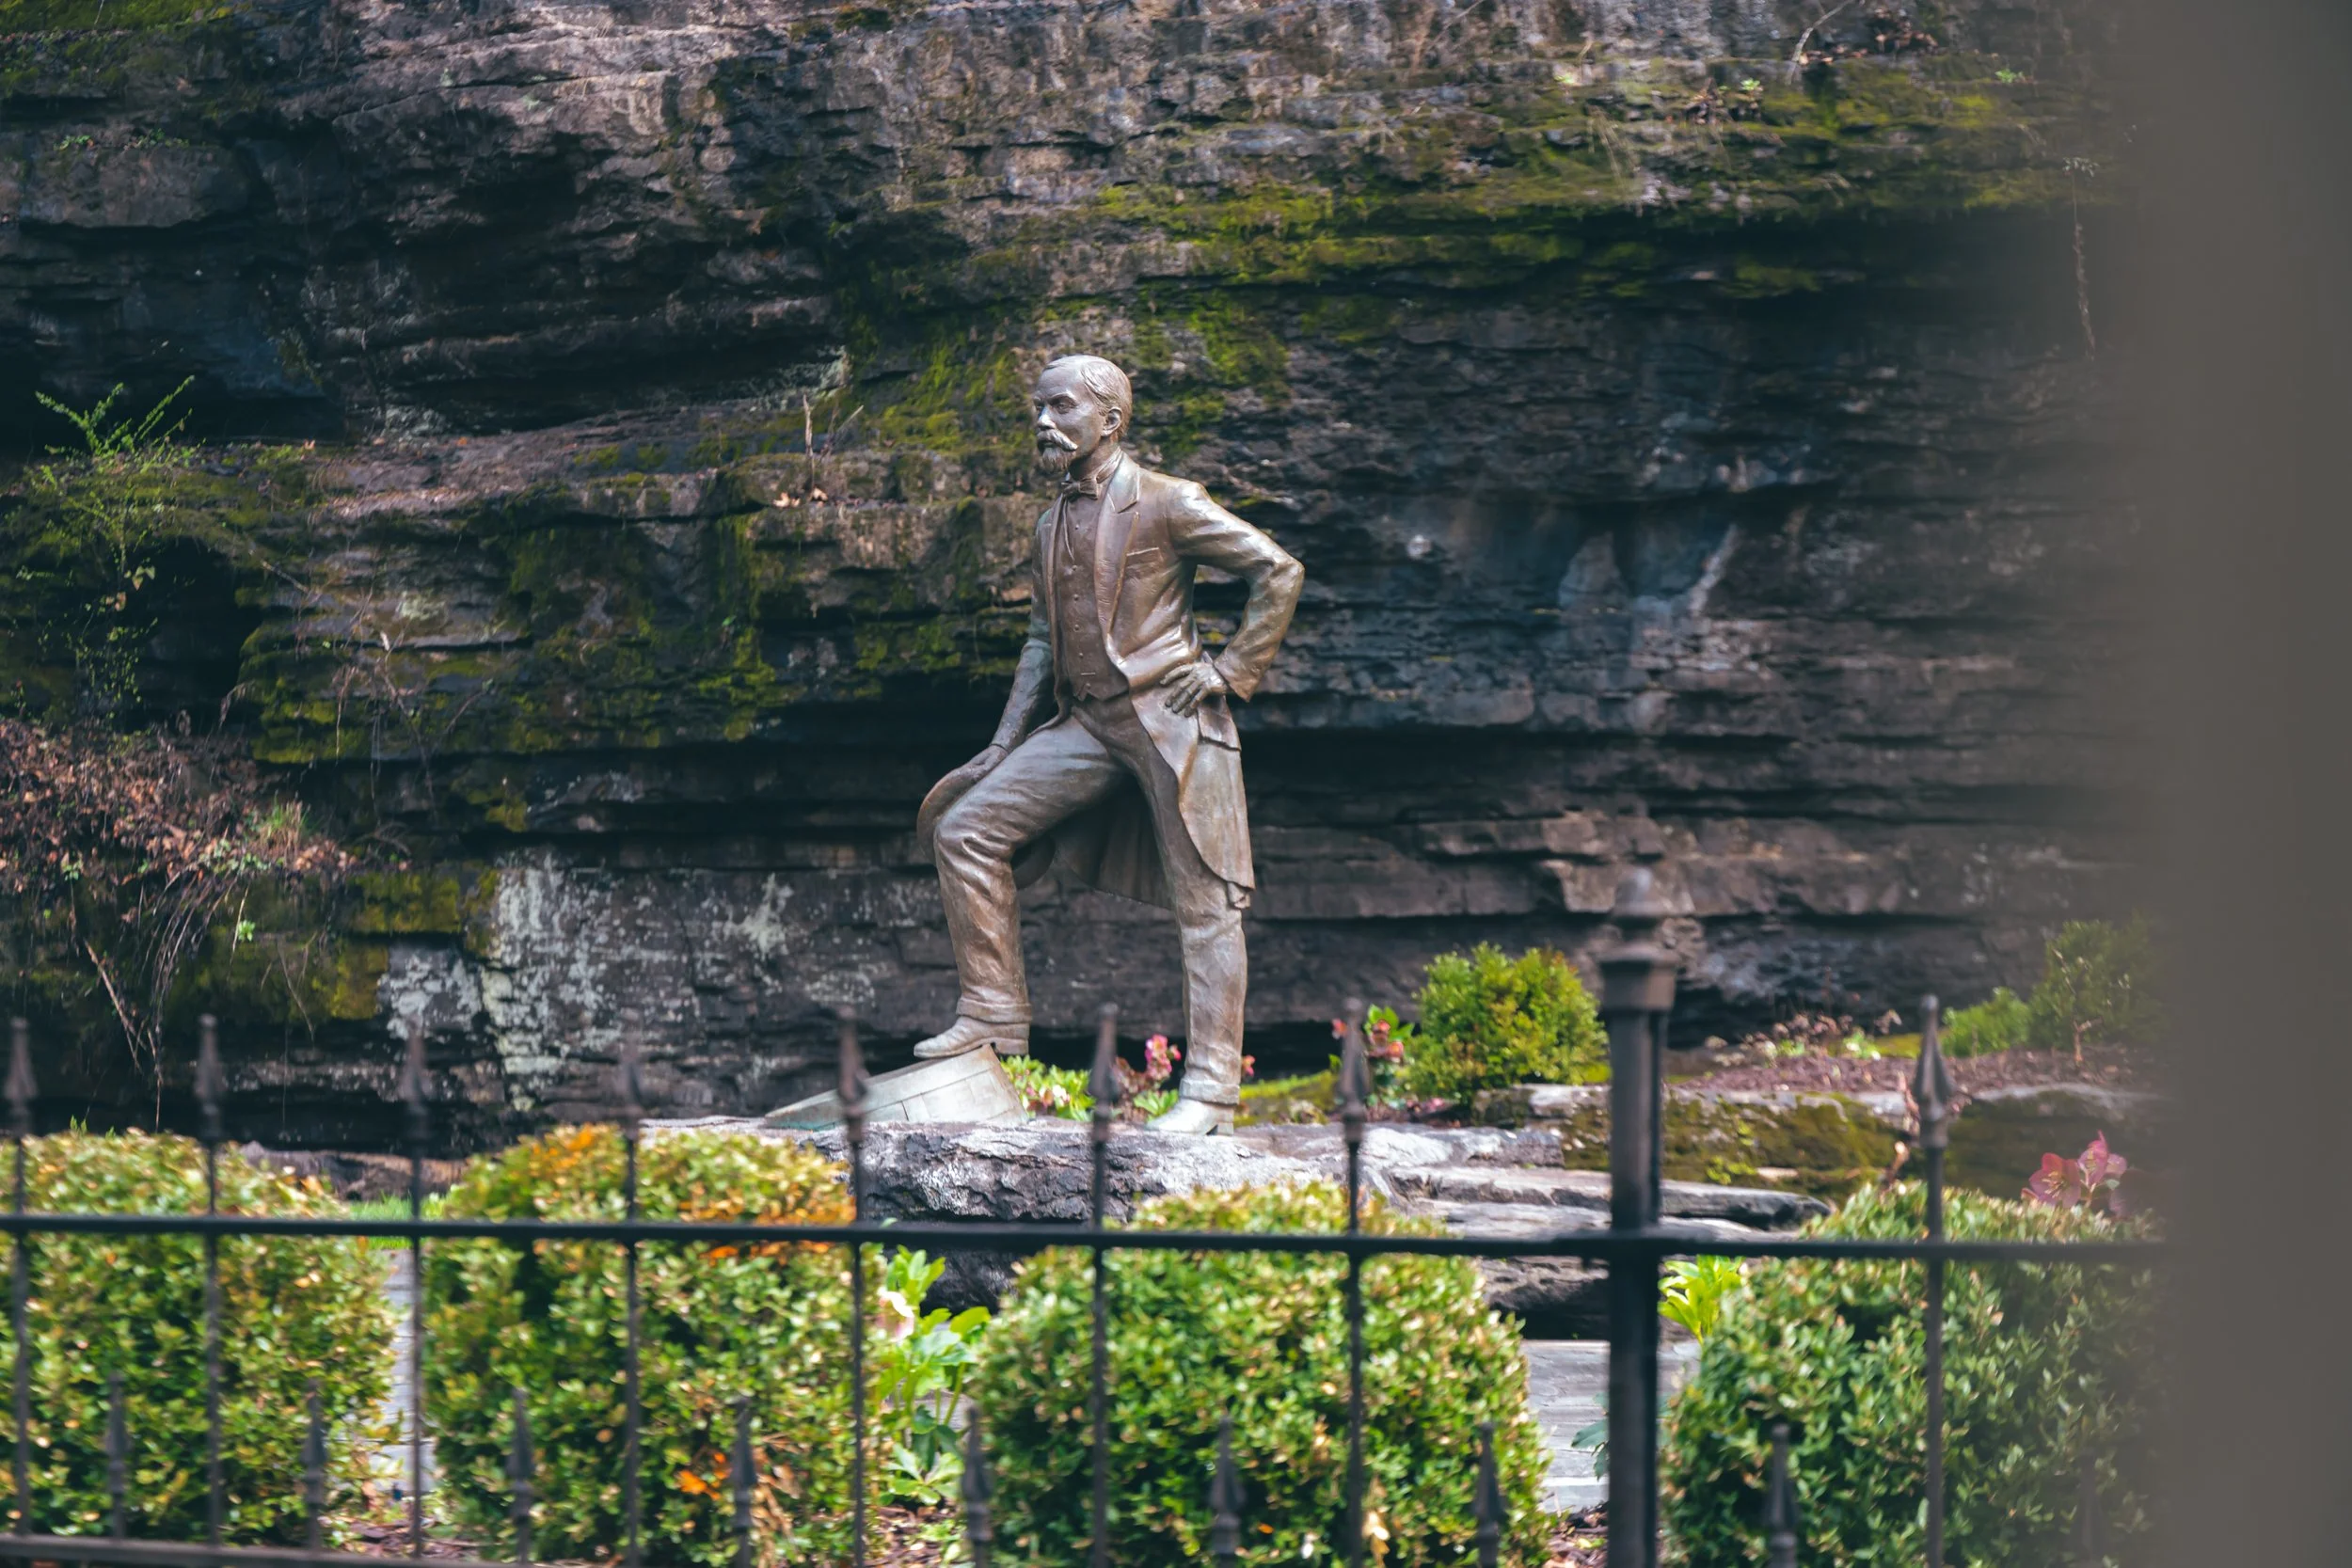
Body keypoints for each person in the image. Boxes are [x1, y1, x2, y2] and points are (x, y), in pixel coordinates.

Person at [910, 354, 1303, 1134]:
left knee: (1208, 902)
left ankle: (1213, 1091)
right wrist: (1001, 744)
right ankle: (992, 1018)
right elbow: (1038, 641)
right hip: (1086, 723)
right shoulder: (1050, 521)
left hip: (1170, 720)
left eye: (1060, 407)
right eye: (1039, 407)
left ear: (1110, 420)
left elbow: (1278, 571)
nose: (1043, 422)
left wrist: (1230, 669)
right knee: (964, 829)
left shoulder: (1167, 501)